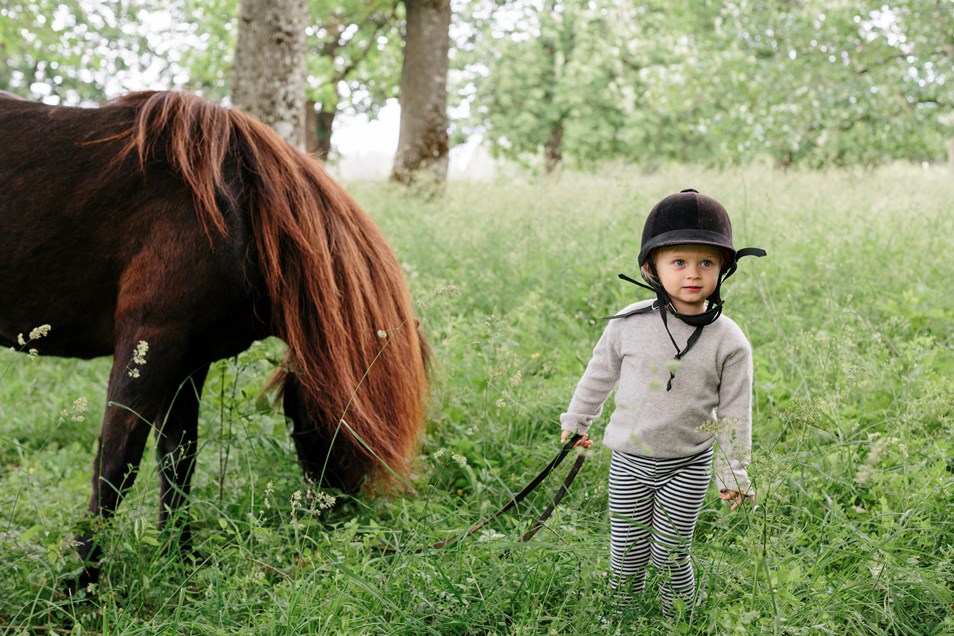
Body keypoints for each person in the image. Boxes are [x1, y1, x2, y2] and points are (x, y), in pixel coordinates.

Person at [559, 189, 765, 616]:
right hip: (630, 459)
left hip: (687, 462)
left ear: (723, 268)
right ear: (651, 267)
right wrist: (578, 420)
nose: (693, 274)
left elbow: (734, 412)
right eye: (678, 262)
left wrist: (733, 473)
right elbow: (600, 373)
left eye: (705, 262)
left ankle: (680, 619)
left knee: (671, 553)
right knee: (627, 550)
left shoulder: (730, 341)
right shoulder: (629, 324)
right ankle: (620, 614)